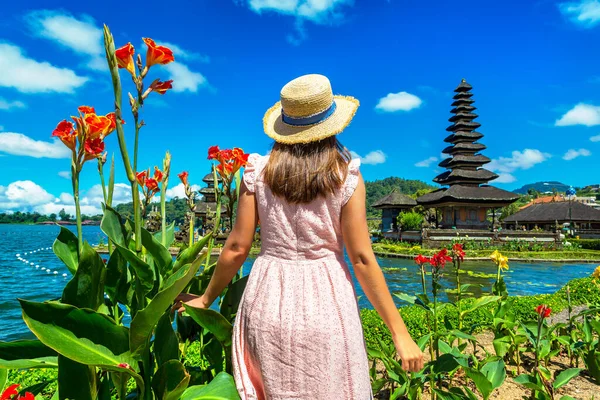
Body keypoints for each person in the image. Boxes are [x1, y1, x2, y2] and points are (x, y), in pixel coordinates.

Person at [175, 74, 423, 399]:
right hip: (328, 300)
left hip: (266, 299)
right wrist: (399, 333)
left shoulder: (257, 174)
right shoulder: (346, 177)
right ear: (332, 125)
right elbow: (362, 259)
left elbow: (237, 247)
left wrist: (205, 299)